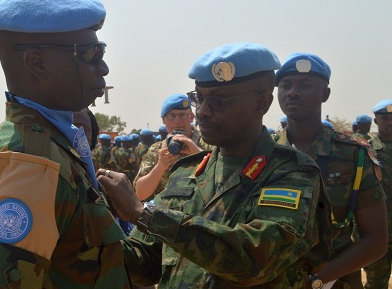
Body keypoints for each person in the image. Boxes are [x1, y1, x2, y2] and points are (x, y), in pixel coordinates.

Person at [97, 42, 333, 288]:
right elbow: (143, 263)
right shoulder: (185, 172)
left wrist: (142, 213)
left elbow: (254, 259)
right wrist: (89, 219)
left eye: (220, 100)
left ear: (261, 103)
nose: (203, 112)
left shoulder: (292, 172)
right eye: (199, 98)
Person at [0, 1, 130, 288]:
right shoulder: (32, 162)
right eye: (91, 54)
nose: (103, 67)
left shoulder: (53, 141)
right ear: (37, 62)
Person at [276, 52, 387, 288]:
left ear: (325, 94)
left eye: (305, 85)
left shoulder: (354, 155)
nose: (293, 92)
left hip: (336, 282)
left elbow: (376, 240)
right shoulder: (263, 154)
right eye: (285, 85)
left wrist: (316, 280)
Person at [133, 93, 210, 201]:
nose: (177, 121)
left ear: (191, 117)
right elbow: (140, 193)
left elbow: (220, 180)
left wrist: (198, 154)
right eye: (172, 116)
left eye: (182, 115)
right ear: (163, 120)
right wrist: (160, 167)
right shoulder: (157, 150)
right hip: (166, 214)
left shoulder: (207, 143)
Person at [362, 100, 392, 289]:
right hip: (377, 230)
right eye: (384, 118)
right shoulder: (365, 150)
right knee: (376, 283)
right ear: (376, 120)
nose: (390, 122)